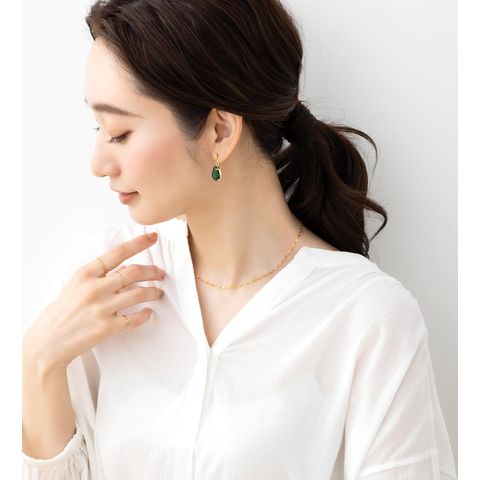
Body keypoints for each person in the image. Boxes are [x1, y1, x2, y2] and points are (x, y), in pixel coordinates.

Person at [22, 1, 457, 479]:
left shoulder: (366, 318)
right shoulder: (106, 285)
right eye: (98, 128)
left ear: (219, 132)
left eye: (120, 133)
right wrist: (40, 364)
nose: (97, 164)